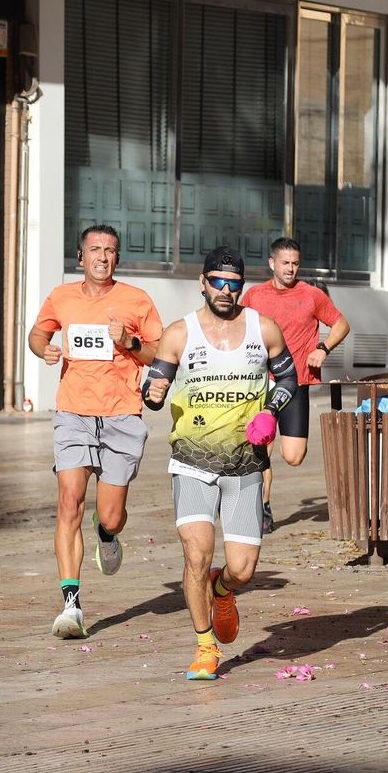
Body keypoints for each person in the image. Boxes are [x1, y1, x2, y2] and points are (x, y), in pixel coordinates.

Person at [141, 247, 300, 681]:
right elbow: (154, 385)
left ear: (241, 286)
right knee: (196, 553)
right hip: (191, 462)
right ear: (203, 283)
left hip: (246, 464)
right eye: (218, 282)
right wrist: (152, 393)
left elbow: (288, 378)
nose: (226, 291)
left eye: (234, 284)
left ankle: (222, 588)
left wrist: (271, 410)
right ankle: (205, 646)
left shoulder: (262, 329)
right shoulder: (179, 333)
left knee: (243, 569)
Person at [28, 224, 163, 639]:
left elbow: (159, 352)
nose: (102, 256)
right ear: (81, 257)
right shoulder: (61, 297)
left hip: (122, 416)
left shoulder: (136, 301)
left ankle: (107, 534)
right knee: (69, 500)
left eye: (110, 250)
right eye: (95, 250)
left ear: (117, 259)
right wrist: (44, 348)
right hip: (73, 412)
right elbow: (38, 334)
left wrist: (129, 342)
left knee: (111, 514)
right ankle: (71, 605)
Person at [241, 237, 350, 535]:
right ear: (272, 263)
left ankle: (259, 498)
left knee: (293, 456)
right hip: (262, 381)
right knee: (262, 443)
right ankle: (261, 505)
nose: (290, 269)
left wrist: (323, 349)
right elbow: (239, 327)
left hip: (296, 381)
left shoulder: (312, 295)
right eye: (285, 263)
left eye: (295, 263)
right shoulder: (254, 296)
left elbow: (341, 324)